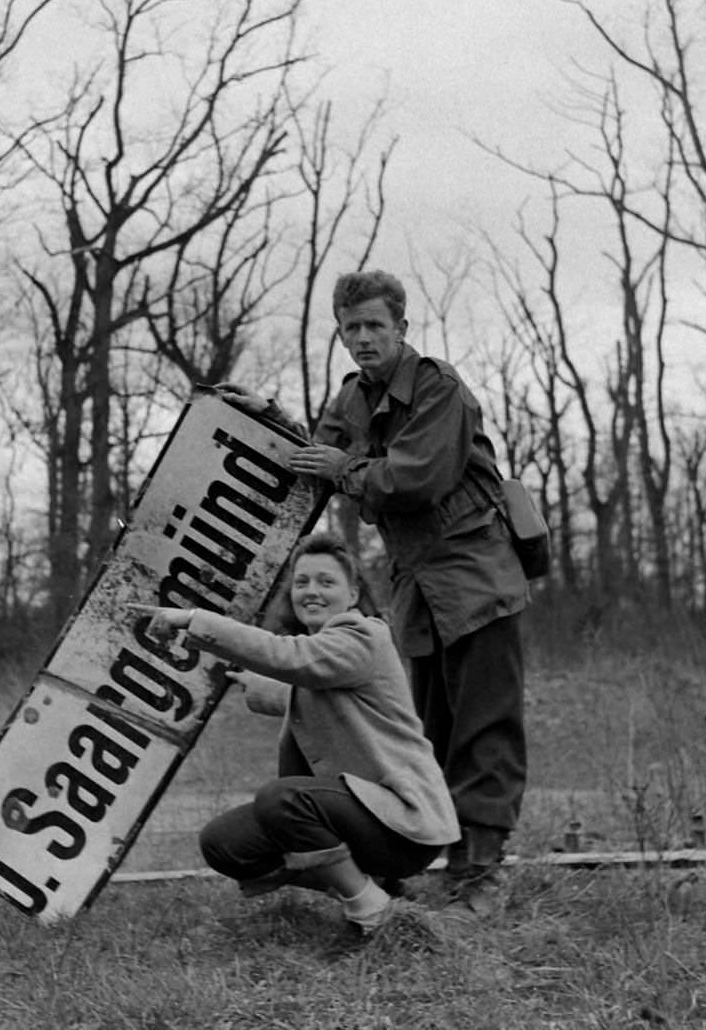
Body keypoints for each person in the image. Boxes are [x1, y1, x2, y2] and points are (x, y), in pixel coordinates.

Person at [220, 269, 529, 914]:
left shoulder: (438, 388)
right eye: (351, 327)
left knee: (484, 726)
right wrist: (261, 422)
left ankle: (481, 871)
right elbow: (317, 461)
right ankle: (431, 853)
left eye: (375, 326)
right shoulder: (352, 397)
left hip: (476, 574)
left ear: (401, 329)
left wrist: (345, 469)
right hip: (417, 584)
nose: (363, 338)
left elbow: (416, 477)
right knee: (424, 730)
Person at [133, 531, 458, 934]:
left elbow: (292, 660)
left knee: (281, 799)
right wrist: (257, 686)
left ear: (353, 594)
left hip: (405, 826)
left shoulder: (364, 636)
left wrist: (195, 621)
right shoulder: (326, 656)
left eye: (326, 582)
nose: (311, 592)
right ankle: (373, 884)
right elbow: (309, 685)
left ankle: (375, 914)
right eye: (301, 582)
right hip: (362, 818)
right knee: (224, 843)